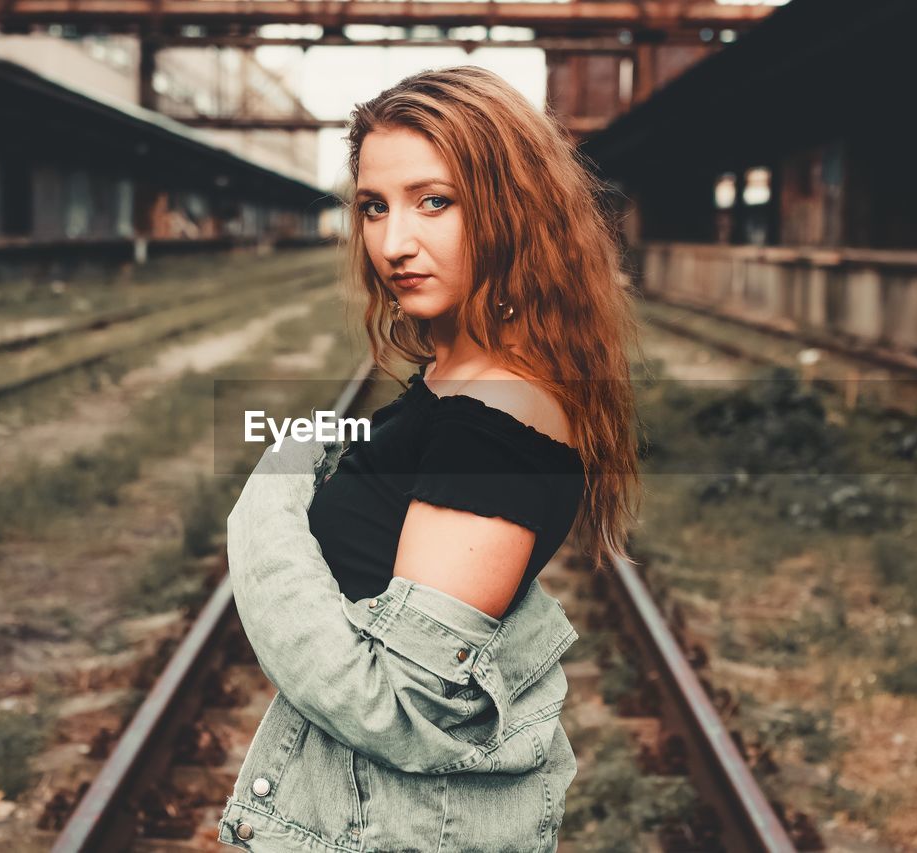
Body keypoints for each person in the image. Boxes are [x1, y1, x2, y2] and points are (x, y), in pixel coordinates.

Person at [218, 66, 643, 851]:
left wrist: (265, 503)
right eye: (374, 207)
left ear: (513, 210)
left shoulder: (493, 425)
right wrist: (315, 443)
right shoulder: (453, 382)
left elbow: (402, 702)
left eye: (434, 201)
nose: (392, 243)